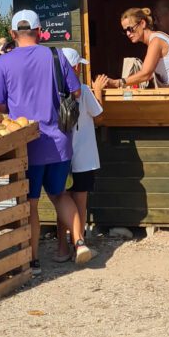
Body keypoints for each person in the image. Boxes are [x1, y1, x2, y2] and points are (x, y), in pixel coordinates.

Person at [0, 10, 81, 272]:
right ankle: (80, 242)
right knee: (60, 194)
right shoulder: (56, 55)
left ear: (12, 34)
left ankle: (33, 261)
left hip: (26, 144)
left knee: (30, 203)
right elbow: (75, 91)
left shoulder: (4, 63)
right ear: (40, 31)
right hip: (59, 141)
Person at [59, 47, 103, 261]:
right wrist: (99, 91)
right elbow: (99, 116)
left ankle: (61, 249)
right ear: (76, 67)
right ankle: (80, 244)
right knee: (80, 203)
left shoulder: (54, 91)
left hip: (60, 155)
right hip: (83, 157)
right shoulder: (83, 90)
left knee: (62, 201)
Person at [100, 8, 169, 89]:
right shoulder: (155, 39)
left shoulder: (156, 41)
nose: (128, 33)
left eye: (130, 29)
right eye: (125, 31)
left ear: (142, 23)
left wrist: (117, 83)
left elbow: (146, 74)